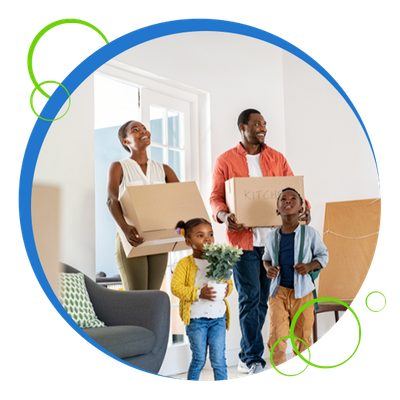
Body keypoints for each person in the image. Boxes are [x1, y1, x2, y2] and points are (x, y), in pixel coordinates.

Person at [209, 109, 311, 377]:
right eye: (256, 124)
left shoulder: (276, 158)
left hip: (275, 243)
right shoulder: (225, 160)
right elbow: (216, 198)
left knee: (265, 300)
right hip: (243, 242)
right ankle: (251, 357)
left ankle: (251, 353)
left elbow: (295, 191)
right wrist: (224, 215)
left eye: (264, 124)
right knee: (249, 298)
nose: (262, 128)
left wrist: (306, 207)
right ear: (242, 127)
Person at [106, 120, 179, 290]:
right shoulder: (119, 167)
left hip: (159, 239)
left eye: (144, 128)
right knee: (137, 298)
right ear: (126, 141)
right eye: (136, 130)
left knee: (153, 297)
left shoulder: (164, 169)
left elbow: (180, 200)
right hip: (132, 237)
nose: (143, 131)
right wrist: (124, 228)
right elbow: (111, 199)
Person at [263, 188, 328, 367]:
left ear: (301, 209)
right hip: (278, 293)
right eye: (283, 199)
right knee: (277, 336)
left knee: (303, 336)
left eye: (293, 198)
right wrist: (269, 268)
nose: (288, 201)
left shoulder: (310, 233)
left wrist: (309, 266)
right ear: (277, 209)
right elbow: (266, 258)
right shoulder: (271, 236)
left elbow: (323, 256)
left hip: (303, 293)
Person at [171, 218, 233, 383]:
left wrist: (227, 288)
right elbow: (176, 288)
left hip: (218, 319)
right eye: (200, 235)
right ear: (188, 241)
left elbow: (229, 283)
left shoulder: (218, 260)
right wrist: (199, 293)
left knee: (219, 360)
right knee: (199, 359)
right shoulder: (184, 264)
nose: (207, 238)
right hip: (196, 320)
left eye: (210, 234)